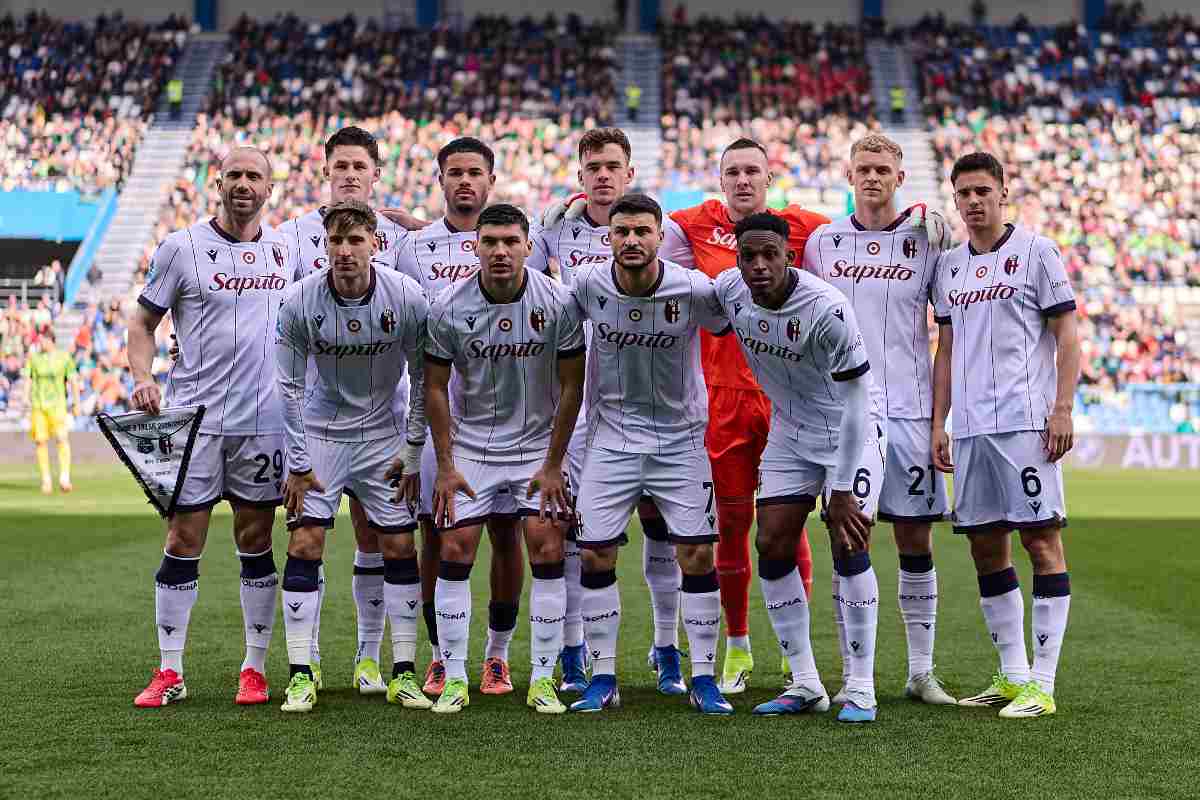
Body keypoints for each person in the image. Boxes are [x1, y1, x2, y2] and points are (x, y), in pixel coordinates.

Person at [661, 137, 827, 694]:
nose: (742, 180)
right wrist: (564, 211)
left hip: (786, 397)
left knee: (788, 525)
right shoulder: (691, 224)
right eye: (732, 171)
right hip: (723, 398)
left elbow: (864, 237)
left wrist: (922, 215)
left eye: (752, 171)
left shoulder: (801, 228)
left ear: (769, 177)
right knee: (730, 528)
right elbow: (623, 226)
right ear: (720, 178)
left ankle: (792, 652)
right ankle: (736, 646)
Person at [129, 146, 291, 708]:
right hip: (194, 421)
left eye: (255, 175)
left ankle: (254, 667)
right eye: (235, 175)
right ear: (216, 183)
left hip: (263, 424)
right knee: (182, 538)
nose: (244, 184)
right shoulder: (181, 248)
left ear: (270, 188)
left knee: (256, 540)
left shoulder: (286, 251)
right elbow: (143, 320)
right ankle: (170, 670)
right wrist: (141, 375)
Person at [529, 126, 686, 696]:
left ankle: (667, 649)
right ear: (579, 175)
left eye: (611, 165)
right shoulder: (552, 229)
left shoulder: (661, 232)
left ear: (629, 174)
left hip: (649, 405)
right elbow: (502, 252)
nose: (602, 174)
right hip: (574, 406)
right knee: (576, 534)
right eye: (592, 165)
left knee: (663, 530)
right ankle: (575, 653)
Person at [801, 133, 957, 706]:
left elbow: (948, 334)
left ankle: (921, 672)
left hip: (913, 411)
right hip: (848, 416)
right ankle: (853, 674)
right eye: (863, 169)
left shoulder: (928, 239)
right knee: (849, 537)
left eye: (882, 169)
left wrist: (942, 420)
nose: (872, 178)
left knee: (916, 538)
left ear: (899, 178)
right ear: (849, 175)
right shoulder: (823, 242)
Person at [713, 213, 882, 721]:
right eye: (749, 256)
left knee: (848, 539)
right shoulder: (729, 291)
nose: (760, 265)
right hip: (789, 430)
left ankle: (861, 686)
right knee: (771, 542)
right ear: (737, 259)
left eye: (771, 255)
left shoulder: (827, 309)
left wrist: (846, 485)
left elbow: (857, 402)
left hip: (850, 429)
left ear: (790, 256)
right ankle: (806, 682)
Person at [568, 194, 732, 716]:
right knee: (595, 554)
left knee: (698, 555)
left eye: (643, 231)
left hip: (679, 441)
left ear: (661, 237)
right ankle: (604, 677)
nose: (632, 241)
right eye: (622, 232)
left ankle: (703, 677)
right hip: (610, 440)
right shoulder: (588, 286)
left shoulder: (693, 289)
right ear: (608, 237)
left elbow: (735, 324)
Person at [932, 151, 1080, 719]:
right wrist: (938, 423)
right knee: (983, 545)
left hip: (1025, 423)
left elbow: (1067, 335)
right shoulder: (949, 267)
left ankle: (1043, 682)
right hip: (969, 428)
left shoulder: (1037, 252)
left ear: (1002, 192)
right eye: (963, 192)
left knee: (1041, 542)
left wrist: (1062, 409)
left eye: (981, 191)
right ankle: (1013, 674)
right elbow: (944, 350)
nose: (973, 201)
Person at [424, 203, 585, 714]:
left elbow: (572, 385)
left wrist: (555, 463)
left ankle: (536, 676)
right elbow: (433, 388)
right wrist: (446, 465)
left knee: (546, 547)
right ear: (476, 246)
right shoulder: (448, 306)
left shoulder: (557, 302)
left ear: (527, 245)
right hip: (472, 445)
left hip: (537, 447)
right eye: (489, 242)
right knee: (454, 549)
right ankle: (452, 677)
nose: (499, 251)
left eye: (510, 242)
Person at [274, 201, 429, 713]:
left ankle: (401, 669)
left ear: (374, 244)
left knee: (400, 546)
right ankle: (302, 671)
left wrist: (410, 449)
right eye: (335, 241)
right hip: (322, 433)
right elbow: (290, 387)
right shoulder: (299, 301)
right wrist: (298, 462)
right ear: (324, 245)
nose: (344, 251)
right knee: (305, 540)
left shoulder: (405, 295)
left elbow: (424, 376)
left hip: (383, 433)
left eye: (355, 240)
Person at [393, 137, 526, 697]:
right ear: (440, 179)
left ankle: (497, 656)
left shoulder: (517, 240)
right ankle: (441, 656)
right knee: (435, 533)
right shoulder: (412, 248)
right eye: (454, 173)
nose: (464, 181)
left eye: (475, 172)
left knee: (506, 530)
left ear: (490, 181)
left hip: (509, 412)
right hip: (436, 412)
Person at [22, 328, 79, 494]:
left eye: (42, 340)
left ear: (51, 340)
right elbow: (28, 378)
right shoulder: (34, 359)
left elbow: (73, 380)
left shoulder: (64, 357)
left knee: (62, 438)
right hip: (39, 406)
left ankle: (64, 478)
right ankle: (46, 479)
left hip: (58, 405)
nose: (40, 343)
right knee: (40, 441)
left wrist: (76, 403)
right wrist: (25, 397)